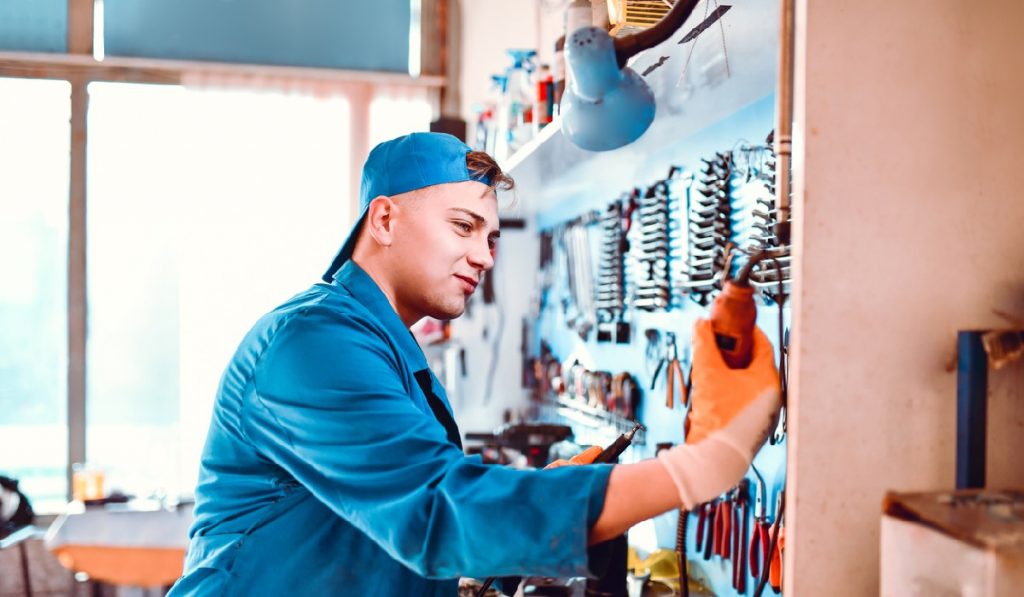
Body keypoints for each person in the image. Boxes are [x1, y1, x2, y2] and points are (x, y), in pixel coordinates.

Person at [168, 132, 781, 596]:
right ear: (384, 219)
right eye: (462, 226)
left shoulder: (380, 344)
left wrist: (549, 492)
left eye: (490, 237)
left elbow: (397, 520)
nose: (483, 256)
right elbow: (437, 512)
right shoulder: (314, 341)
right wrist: (698, 467)